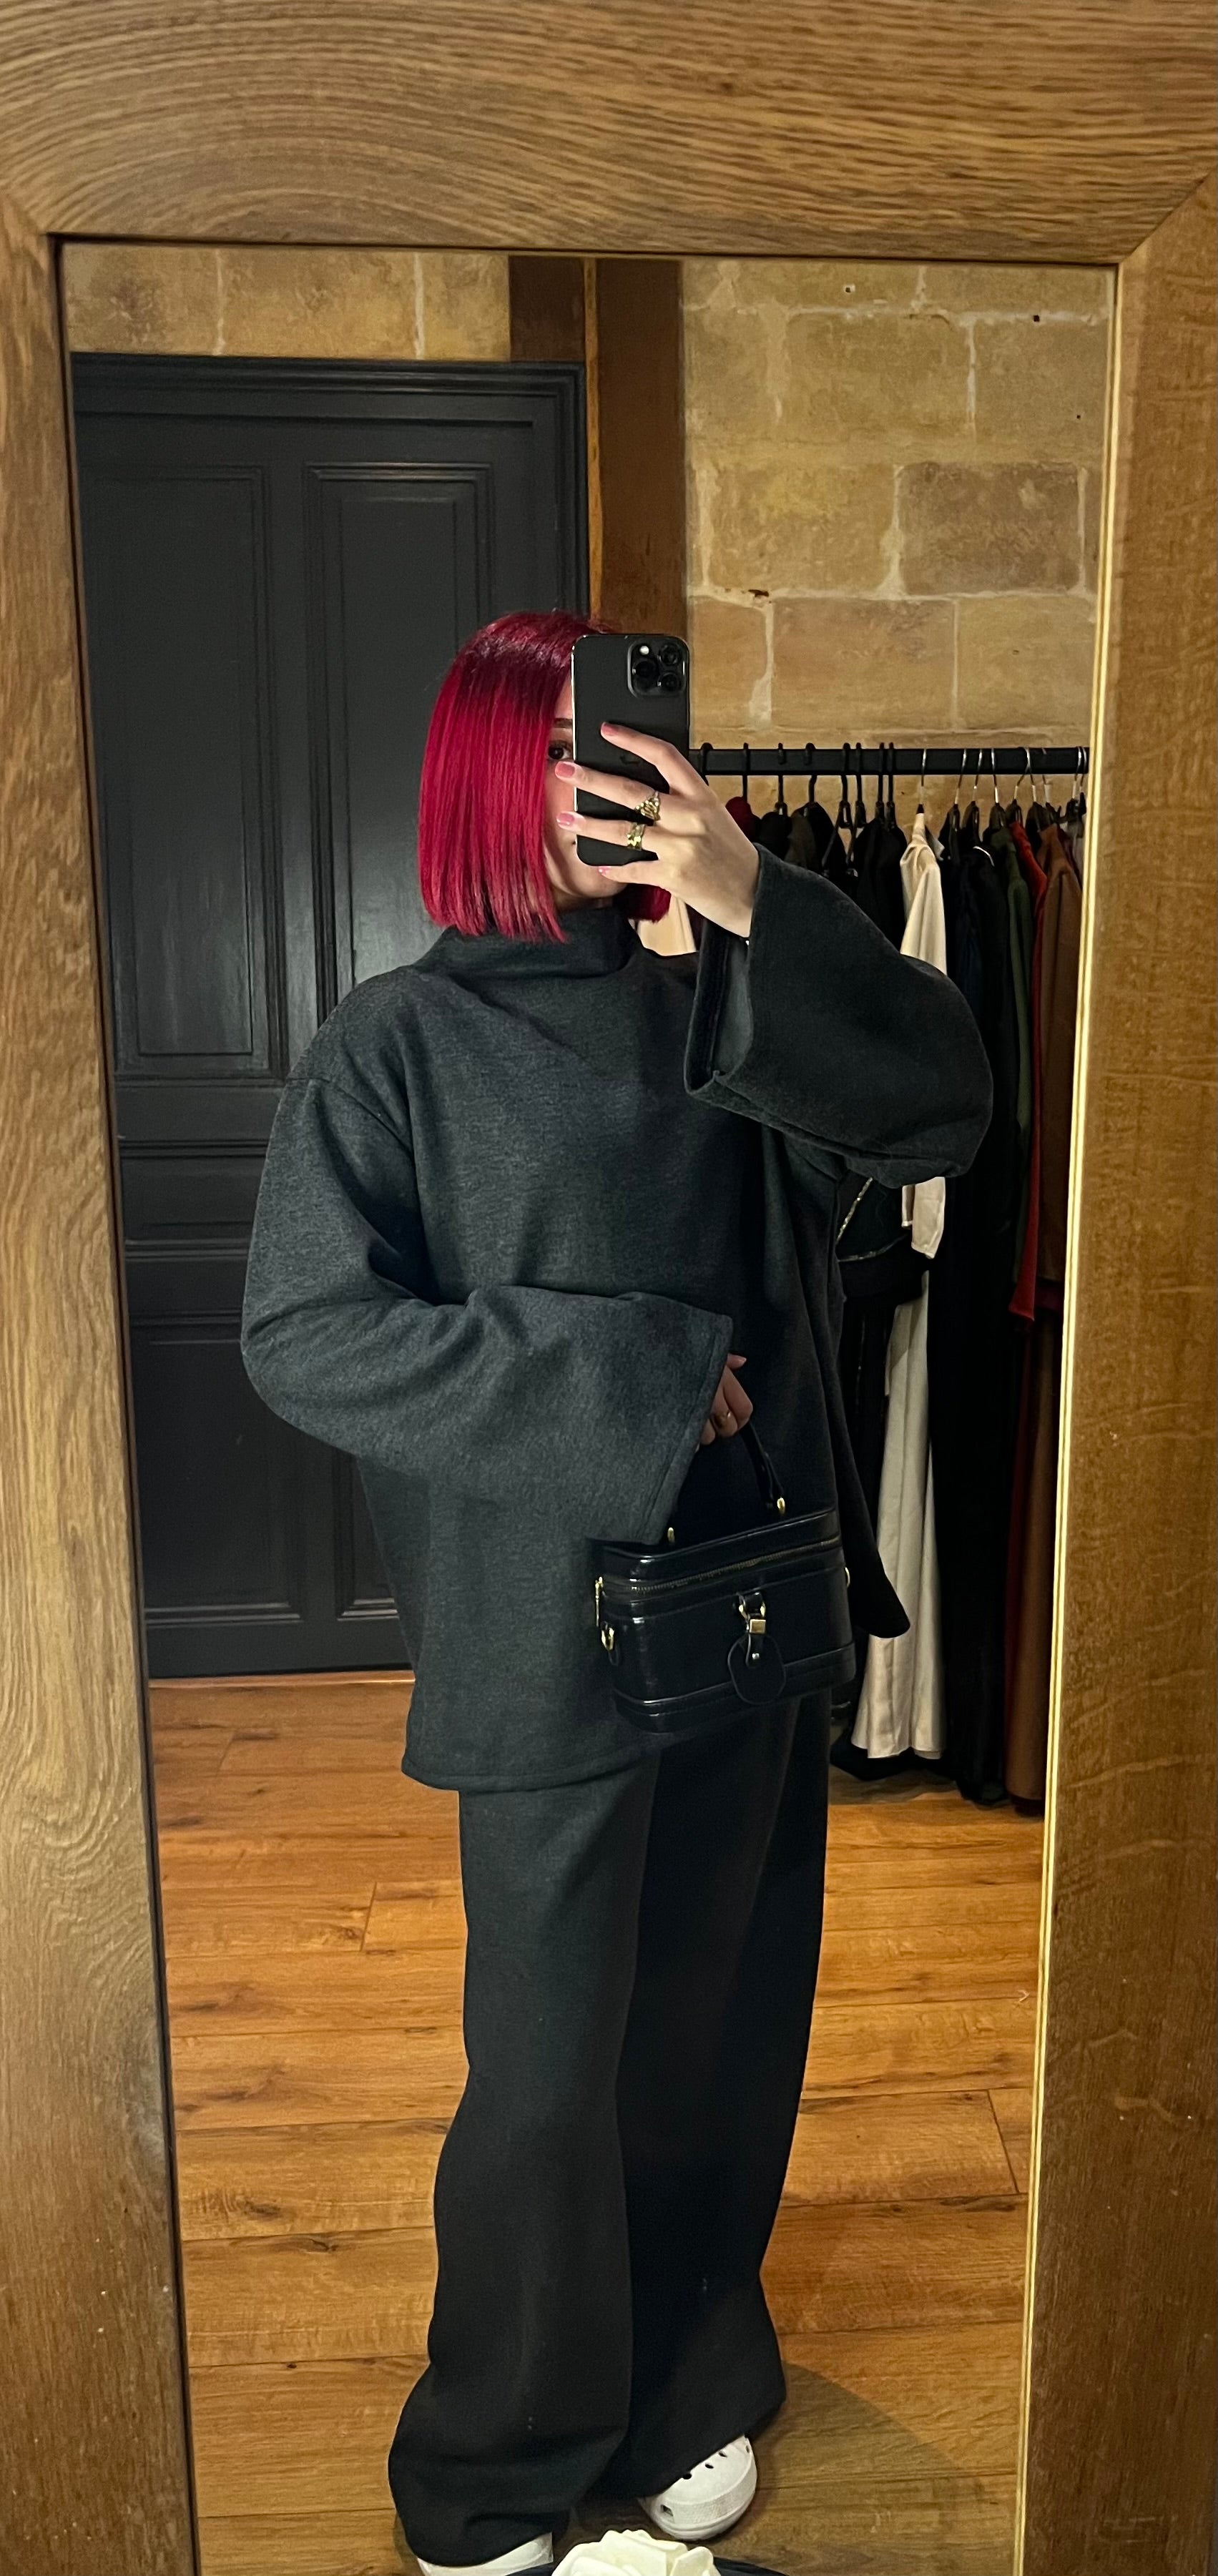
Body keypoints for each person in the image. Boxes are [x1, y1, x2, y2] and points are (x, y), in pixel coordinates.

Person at [240, 609, 992, 2574]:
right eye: (582, 752)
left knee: (718, 2034)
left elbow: (944, 1103)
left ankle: (684, 2388)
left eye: (643, 750)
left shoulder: (724, 991)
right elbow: (306, 1333)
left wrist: (758, 903)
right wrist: (636, 1375)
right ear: (499, 772)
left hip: (750, 1605)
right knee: (549, 2076)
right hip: (541, 1639)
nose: (624, 780)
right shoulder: (396, 1044)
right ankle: (493, 2467)